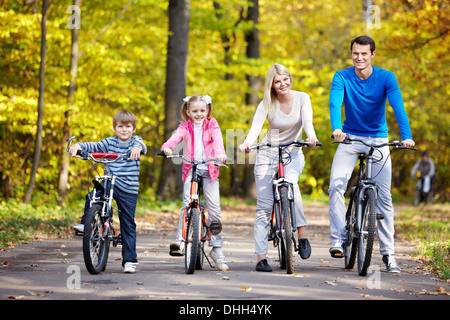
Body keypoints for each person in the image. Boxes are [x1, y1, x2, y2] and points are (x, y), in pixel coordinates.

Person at [328, 35, 415, 273]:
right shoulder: (342, 76)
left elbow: (398, 106)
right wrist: (336, 128)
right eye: (356, 53)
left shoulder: (386, 77)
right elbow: (335, 104)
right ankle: (338, 238)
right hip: (349, 138)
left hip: (378, 139)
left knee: (384, 199)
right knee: (336, 185)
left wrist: (406, 136)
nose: (359, 57)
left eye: (364, 53)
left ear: (372, 55)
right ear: (351, 53)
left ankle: (389, 255)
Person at [239, 63, 319, 272]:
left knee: (291, 184)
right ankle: (261, 258)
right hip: (268, 152)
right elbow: (255, 127)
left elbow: (307, 120)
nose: (283, 83)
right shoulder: (267, 103)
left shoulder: (303, 97)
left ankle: (302, 235)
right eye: (277, 81)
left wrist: (311, 136)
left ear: (290, 78)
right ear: (272, 85)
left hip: (292, 152)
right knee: (264, 208)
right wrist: (247, 143)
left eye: (286, 79)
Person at [69, 110, 147, 273]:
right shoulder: (109, 142)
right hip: (109, 182)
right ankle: (87, 225)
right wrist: (79, 146)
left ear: (133, 128)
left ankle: (130, 260)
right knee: (92, 195)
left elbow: (141, 145)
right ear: (114, 128)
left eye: (128, 127)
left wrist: (137, 149)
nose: (124, 130)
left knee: (128, 223)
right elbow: (94, 146)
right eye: (120, 126)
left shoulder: (135, 141)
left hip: (128, 188)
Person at [161, 95, 229, 271]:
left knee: (214, 208)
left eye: (202, 110)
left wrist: (220, 153)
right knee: (186, 203)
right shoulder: (185, 126)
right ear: (188, 112)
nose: (199, 114)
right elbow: (176, 137)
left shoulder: (212, 124)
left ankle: (217, 249)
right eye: (195, 111)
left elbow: (217, 139)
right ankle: (181, 241)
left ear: (207, 111)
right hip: (191, 168)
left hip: (210, 169)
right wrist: (167, 147)